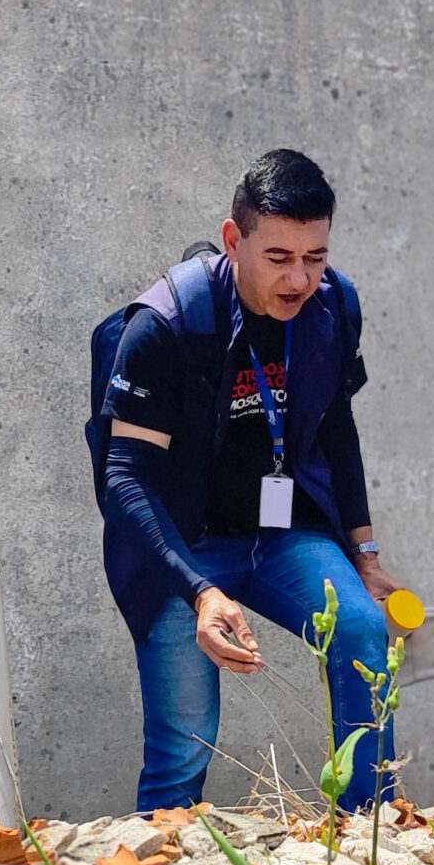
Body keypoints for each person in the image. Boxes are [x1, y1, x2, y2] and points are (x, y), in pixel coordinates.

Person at [86, 150, 405, 810]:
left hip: (283, 532)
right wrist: (201, 593)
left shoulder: (334, 308)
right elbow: (125, 478)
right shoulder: (165, 325)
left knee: (361, 631)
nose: (300, 279)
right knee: (182, 748)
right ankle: (161, 864)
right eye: (279, 257)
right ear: (234, 239)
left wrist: (365, 554)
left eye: (315, 257)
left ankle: (373, 833)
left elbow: (336, 428)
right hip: (185, 547)